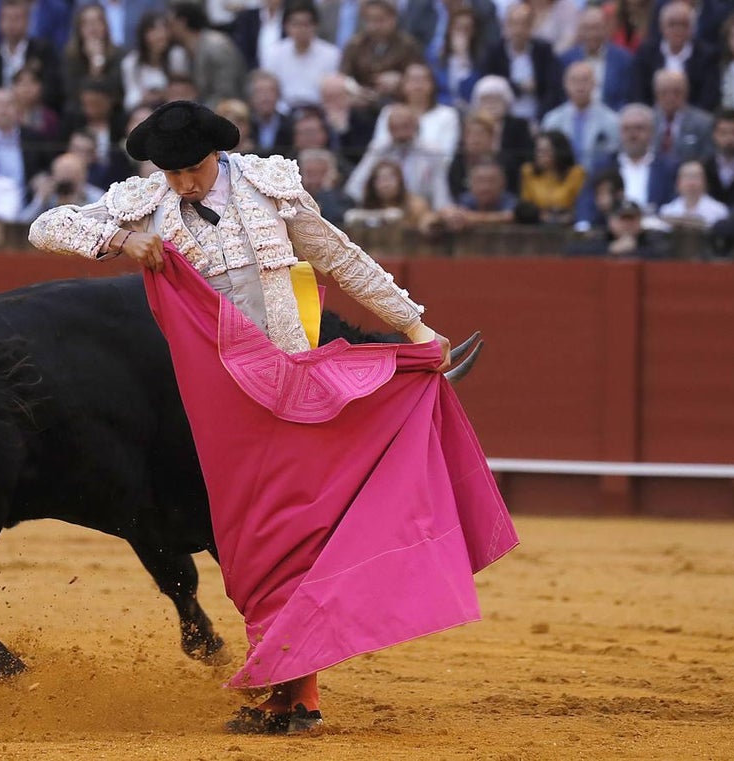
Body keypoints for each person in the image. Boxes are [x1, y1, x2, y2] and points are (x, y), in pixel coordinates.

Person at [28, 100, 516, 733]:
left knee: (292, 541)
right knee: (249, 549)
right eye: (170, 172)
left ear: (216, 154)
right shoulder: (144, 202)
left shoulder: (269, 187)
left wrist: (413, 324)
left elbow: (341, 259)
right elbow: (45, 226)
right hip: (216, 407)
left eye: (192, 169)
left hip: (291, 390)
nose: (182, 183)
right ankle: (287, 691)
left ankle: (297, 699)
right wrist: (123, 238)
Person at [540, 61, 621, 171]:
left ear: (595, 83)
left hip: (597, 179)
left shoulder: (612, 120)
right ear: (565, 85)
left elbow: (614, 155)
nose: (580, 86)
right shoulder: (552, 120)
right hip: (561, 181)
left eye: (585, 80)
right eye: (574, 81)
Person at [557, 5, 634, 111]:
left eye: (596, 27)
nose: (592, 34)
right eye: (587, 28)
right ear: (580, 30)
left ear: (606, 28)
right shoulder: (565, 59)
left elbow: (627, 97)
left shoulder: (623, 59)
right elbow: (560, 98)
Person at [345, 158, 436, 231]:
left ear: (400, 182)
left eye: (390, 178)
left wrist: (430, 222)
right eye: (380, 180)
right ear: (372, 185)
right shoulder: (368, 205)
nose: (386, 184)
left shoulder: (416, 204)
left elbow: (429, 220)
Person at [520, 129, 586, 224]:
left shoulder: (576, 173)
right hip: (537, 223)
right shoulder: (528, 171)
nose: (539, 155)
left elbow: (580, 205)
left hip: (568, 223)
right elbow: (526, 205)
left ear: (558, 151)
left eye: (545, 151)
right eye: (538, 150)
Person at [651, 69, 713, 163]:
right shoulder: (647, 121)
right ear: (656, 94)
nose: (670, 97)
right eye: (664, 92)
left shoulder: (704, 123)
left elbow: (708, 158)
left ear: (686, 92)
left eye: (676, 92)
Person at [658, 159, 730, 228]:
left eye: (696, 177)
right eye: (686, 177)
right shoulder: (667, 211)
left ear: (705, 182)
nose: (691, 183)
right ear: (678, 183)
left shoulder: (719, 212)